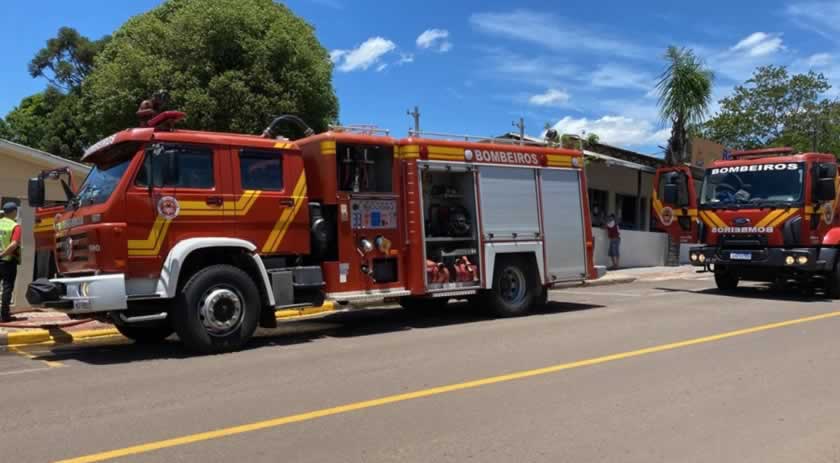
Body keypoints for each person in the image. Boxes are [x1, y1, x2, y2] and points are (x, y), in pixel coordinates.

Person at [0, 202, 22, 322]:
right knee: (7, 288)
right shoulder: (15, 226)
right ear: (14, 212)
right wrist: (2, 254)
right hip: (7, 261)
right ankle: (4, 315)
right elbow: (14, 244)